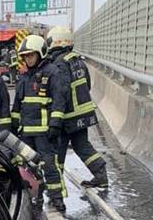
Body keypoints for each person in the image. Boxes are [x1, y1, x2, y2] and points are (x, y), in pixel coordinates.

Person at [46, 26, 109, 187]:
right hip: (84, 114)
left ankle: (56, 184)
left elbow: (61, 91)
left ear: (55, 42)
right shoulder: (78, 61)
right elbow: (87, 84)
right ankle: (101, 174)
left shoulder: (59, 64)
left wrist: (55, 116)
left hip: (68, 116)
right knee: (81, 145)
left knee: (58, 149)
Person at [11, 34, 67, 212]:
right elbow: (18, 105)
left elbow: (59, 99)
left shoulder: (53, 72)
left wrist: (55, 124)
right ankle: (36, 197)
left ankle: (57, 198)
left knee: (50, 165)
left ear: (40, 53)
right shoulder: (24, 76)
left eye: (31, 55)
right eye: (25, 56)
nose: (28, 59)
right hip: (27, 133)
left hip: (45, 132)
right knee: (29, 167)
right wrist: (13, 127)